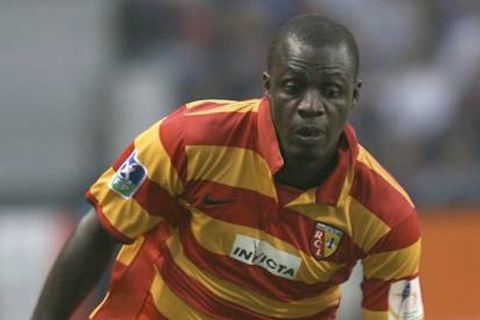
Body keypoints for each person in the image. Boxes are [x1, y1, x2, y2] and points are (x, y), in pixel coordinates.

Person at [33, 14, 424, 319]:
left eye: (331, 91)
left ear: (354, 96)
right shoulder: (188, 137)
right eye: (293, 87)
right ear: (267, 86)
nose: (310, 106)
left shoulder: (389, 216)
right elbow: (100, 230)